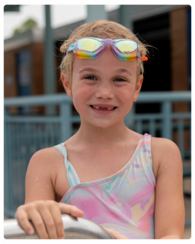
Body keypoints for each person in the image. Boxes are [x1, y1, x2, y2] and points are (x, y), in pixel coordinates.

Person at [15, 20, 185, 239]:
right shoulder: (46, 163)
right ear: (67, 84)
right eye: (90, 77)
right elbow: (38, 235)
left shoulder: (161, 154)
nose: (105, 92)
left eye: (119, 79)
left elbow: (172, 236)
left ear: (137, 87)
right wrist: (32, 218)